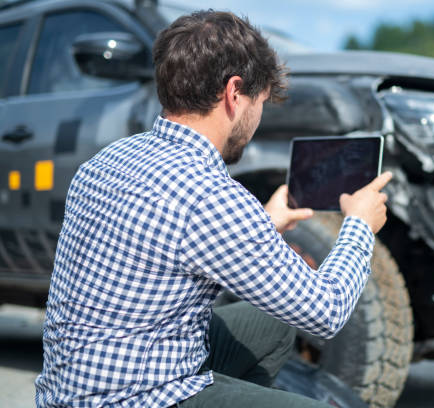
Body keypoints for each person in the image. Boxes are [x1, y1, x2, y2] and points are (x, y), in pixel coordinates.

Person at [35, 9, 392, 408]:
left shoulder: (106, 161)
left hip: (70, 390)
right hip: (132, 398)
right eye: (259, 102)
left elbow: (166, 251)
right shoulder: (208, 194)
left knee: (271, 322)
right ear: (233, 93)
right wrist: (359, 224)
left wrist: (263, 224)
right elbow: (325, 310)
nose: (256, 118)